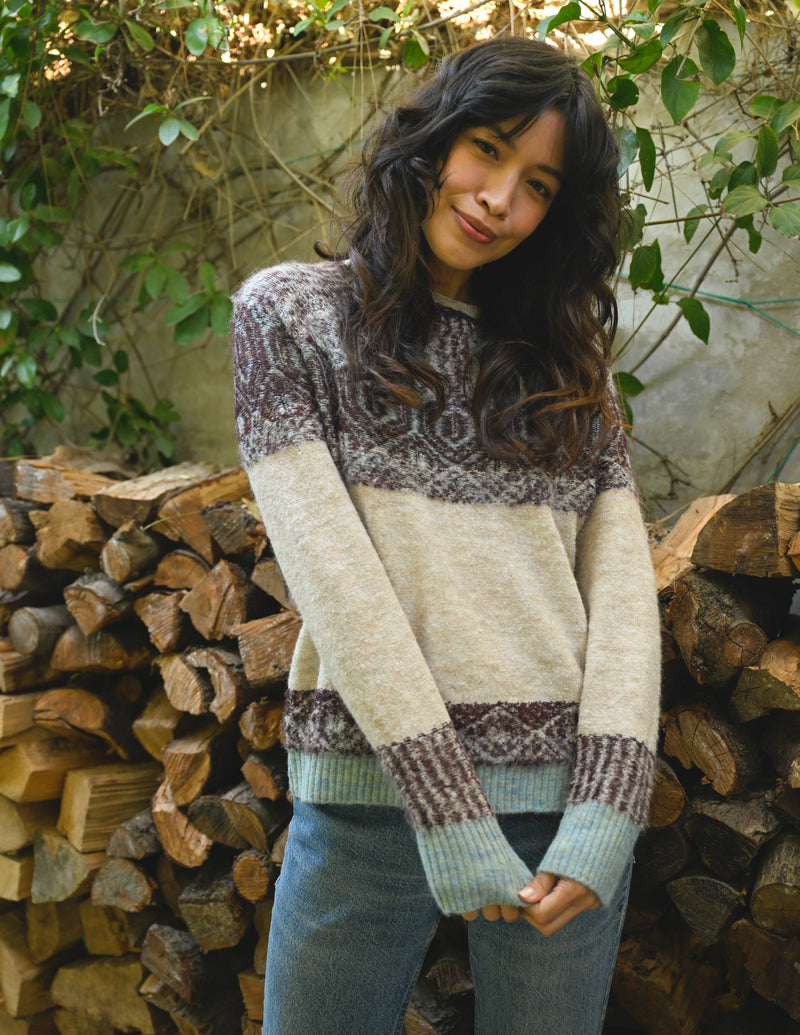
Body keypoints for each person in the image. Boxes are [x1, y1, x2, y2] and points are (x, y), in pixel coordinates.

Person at [232, 34, 660, 1035]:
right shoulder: (290, 318)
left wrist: (604, 817)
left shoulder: (567, 369)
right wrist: (445, 805)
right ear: (431, 139)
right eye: (487, 149)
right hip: (369, 796)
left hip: (562, 818)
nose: (499, 198)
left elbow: (624, 602)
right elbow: (334, 578)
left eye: (538, 184)